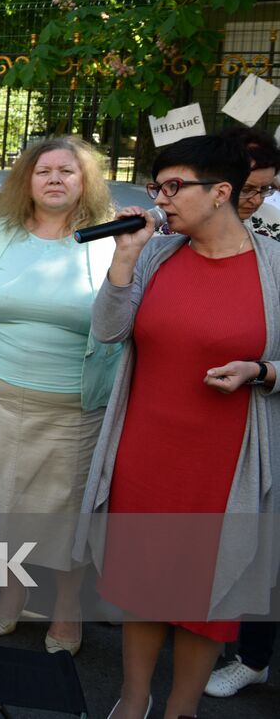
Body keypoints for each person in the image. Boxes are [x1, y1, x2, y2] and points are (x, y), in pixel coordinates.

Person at [78, 134, 280, 719]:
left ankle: (181, 708)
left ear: (221, 193)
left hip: (225, 458)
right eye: (157, 187)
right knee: (145, 580)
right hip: (147, 450)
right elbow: (109, 331)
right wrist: (123, 256)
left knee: (208, 589)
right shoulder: (158, 254)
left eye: (174, 187)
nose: (162, 200)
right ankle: (134, 696)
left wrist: (262, 370)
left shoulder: (273, 267)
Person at [0, 136, 121, 656]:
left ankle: (66, 607)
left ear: (85, 182)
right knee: (3, 505)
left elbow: (123, 322)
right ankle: (12, 593)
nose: (55, 178)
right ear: (27, 181)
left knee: (66, 512)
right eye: (44, 171)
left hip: (74, 407)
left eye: (67, 170)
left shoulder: (106, 241)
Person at [205, 126, 280, 698]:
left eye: (262, 191)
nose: (252, 202)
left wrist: (266, 372)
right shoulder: (186, 243)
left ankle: (252, 654)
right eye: (246, 190)